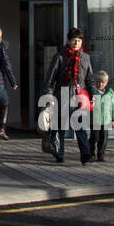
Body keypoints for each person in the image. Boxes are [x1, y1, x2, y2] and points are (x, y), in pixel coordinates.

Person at [41, 27, 97, 164]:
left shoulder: (85, 58)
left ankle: (85, 154)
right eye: (74, 41)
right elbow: (50, 79)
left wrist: (93, 95)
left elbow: (89, 78)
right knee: (59, 126)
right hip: (62, 94)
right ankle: (58, 153)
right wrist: (49, 97)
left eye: (78, 41)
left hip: (79, 95)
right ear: (68, 41)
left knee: (80, 126)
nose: (76, 43)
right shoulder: (60, 57)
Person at [91, 70, 114, 161]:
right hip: (94, 120)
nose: (100, 84)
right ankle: (91, 153)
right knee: (94, 137)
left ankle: (101, 154)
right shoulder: (93, 92)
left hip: (105, 120)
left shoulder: (110, 92)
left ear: (106, 83)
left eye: (102, 82)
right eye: (98, 82)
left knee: (104, 138)